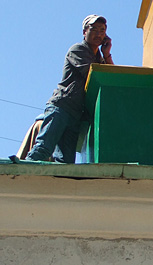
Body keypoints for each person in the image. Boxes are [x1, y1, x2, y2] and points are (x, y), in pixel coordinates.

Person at [25, 15, 114, 163]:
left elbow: (110, 79)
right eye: (95, 29)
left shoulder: (99, 58)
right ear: (85, 31)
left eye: (102, 30)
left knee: (65, 161)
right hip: (61, 107)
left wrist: (106, 54)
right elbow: (94, 76)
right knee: (43, 148)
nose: (99, 33)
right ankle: (23, 176)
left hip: (76, 114)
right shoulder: (78, 50)